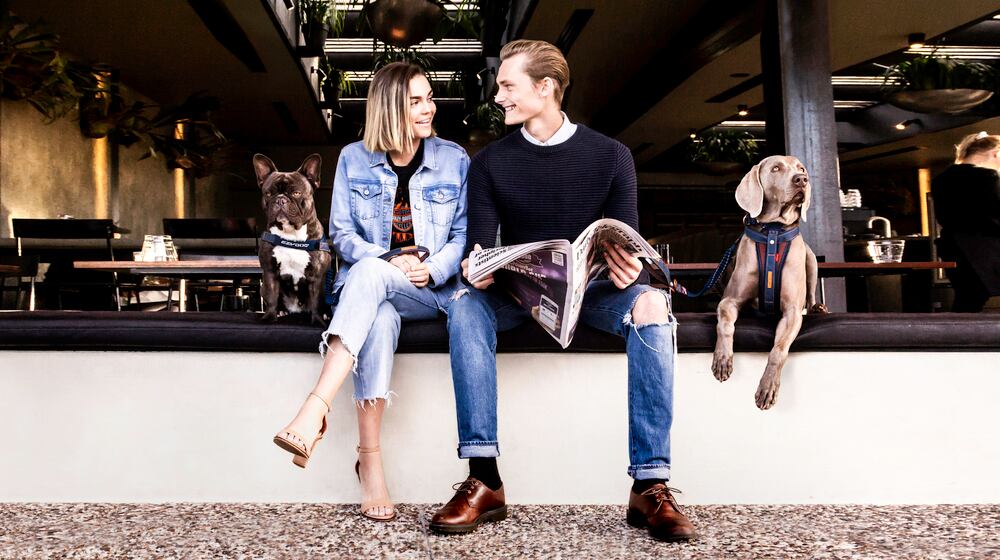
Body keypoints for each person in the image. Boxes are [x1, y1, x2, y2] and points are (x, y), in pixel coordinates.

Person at [429, 40, 696, 542]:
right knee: (465, 306)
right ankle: (484, 478)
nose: (498, 97)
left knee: (652, 302)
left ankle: (650, 484)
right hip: (517, 297)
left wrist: (628, 271)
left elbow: (625, 243)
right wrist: (476, 269)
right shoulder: (489, 163)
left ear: (545, 87)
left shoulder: (612, 156)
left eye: (508, 86)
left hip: (592, 296)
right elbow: (479, 247)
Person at [272, 62, 469, 521]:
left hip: (428, 290)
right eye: (416, 101)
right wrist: (387, 259)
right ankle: (371, 463)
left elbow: (463, 234)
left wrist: (431, 268)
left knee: (369, 276)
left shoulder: (454, 159)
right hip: (374, 289)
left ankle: (315, 408)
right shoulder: (353, 158)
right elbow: (341, 234)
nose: (429, 108)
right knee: (377, 310)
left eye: (429, 97)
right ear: (391, 108)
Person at [931, 132, 1000, 312]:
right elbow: (993, 213)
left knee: (968, 299)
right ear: (995, 153)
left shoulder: (941, 179)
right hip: (984, 249)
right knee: (974, 299)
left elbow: (943, 217)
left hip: (953, 247)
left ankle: (955, 330)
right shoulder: (987, 177)